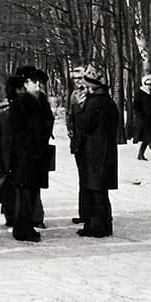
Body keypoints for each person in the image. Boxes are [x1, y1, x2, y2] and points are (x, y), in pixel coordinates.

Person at [7, 66, 53, 243]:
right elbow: (17, 131)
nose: (39, 85)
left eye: (40, 82)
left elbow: (48, 122)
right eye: (35, 82)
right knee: (24, 193)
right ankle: (22, 229)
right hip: (24, 155)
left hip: (38, 153)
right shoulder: (20, 103)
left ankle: (28, 226)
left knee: (33, 192)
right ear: (26, 84)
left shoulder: (42, 102)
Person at [74, 65, 119, 237]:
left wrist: (78, 110)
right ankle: (104, 225)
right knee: (101, 191)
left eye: (86, 86)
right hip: (107, 151)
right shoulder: (109, 102)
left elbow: (85, 125)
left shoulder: (93, 103)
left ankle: (96, 227)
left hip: (94, 151)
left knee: (94, 190)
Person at [0, 76, 23, 227]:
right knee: (10, 186)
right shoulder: (2, 110)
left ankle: (16, 215)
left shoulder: (5, 110)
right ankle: (11, 215)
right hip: (9, 156)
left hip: (11, 155)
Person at [66, 65, 88, 225]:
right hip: (78, 142)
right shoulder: (73, 95)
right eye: (75, 79)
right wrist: (70, 131)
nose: (78, 82)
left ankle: (94, 212)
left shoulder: (91, 95)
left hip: (90, 142)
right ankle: (84, 212)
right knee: (83, 178)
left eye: (80, 78)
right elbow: (69, 115)